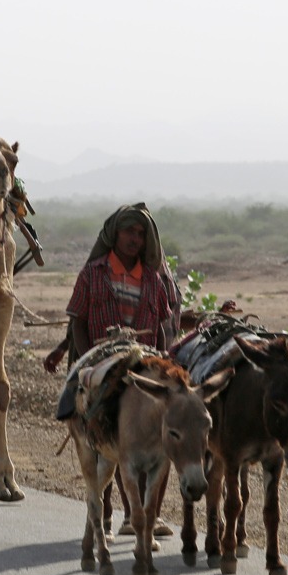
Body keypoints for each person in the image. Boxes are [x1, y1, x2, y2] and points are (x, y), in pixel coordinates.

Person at [51, 203, 183, 536]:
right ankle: (104, 515)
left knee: (153, 438)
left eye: (140, 234)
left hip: (142, 370)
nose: (134, 239)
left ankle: (139, 517)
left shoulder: (153, 278)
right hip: (101, 365)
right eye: (128, 231)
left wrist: (165, 363)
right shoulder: (93, 273)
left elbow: (164, 325)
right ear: (115, 234)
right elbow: (78, 320)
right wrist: (87, 360)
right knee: (99, 437)